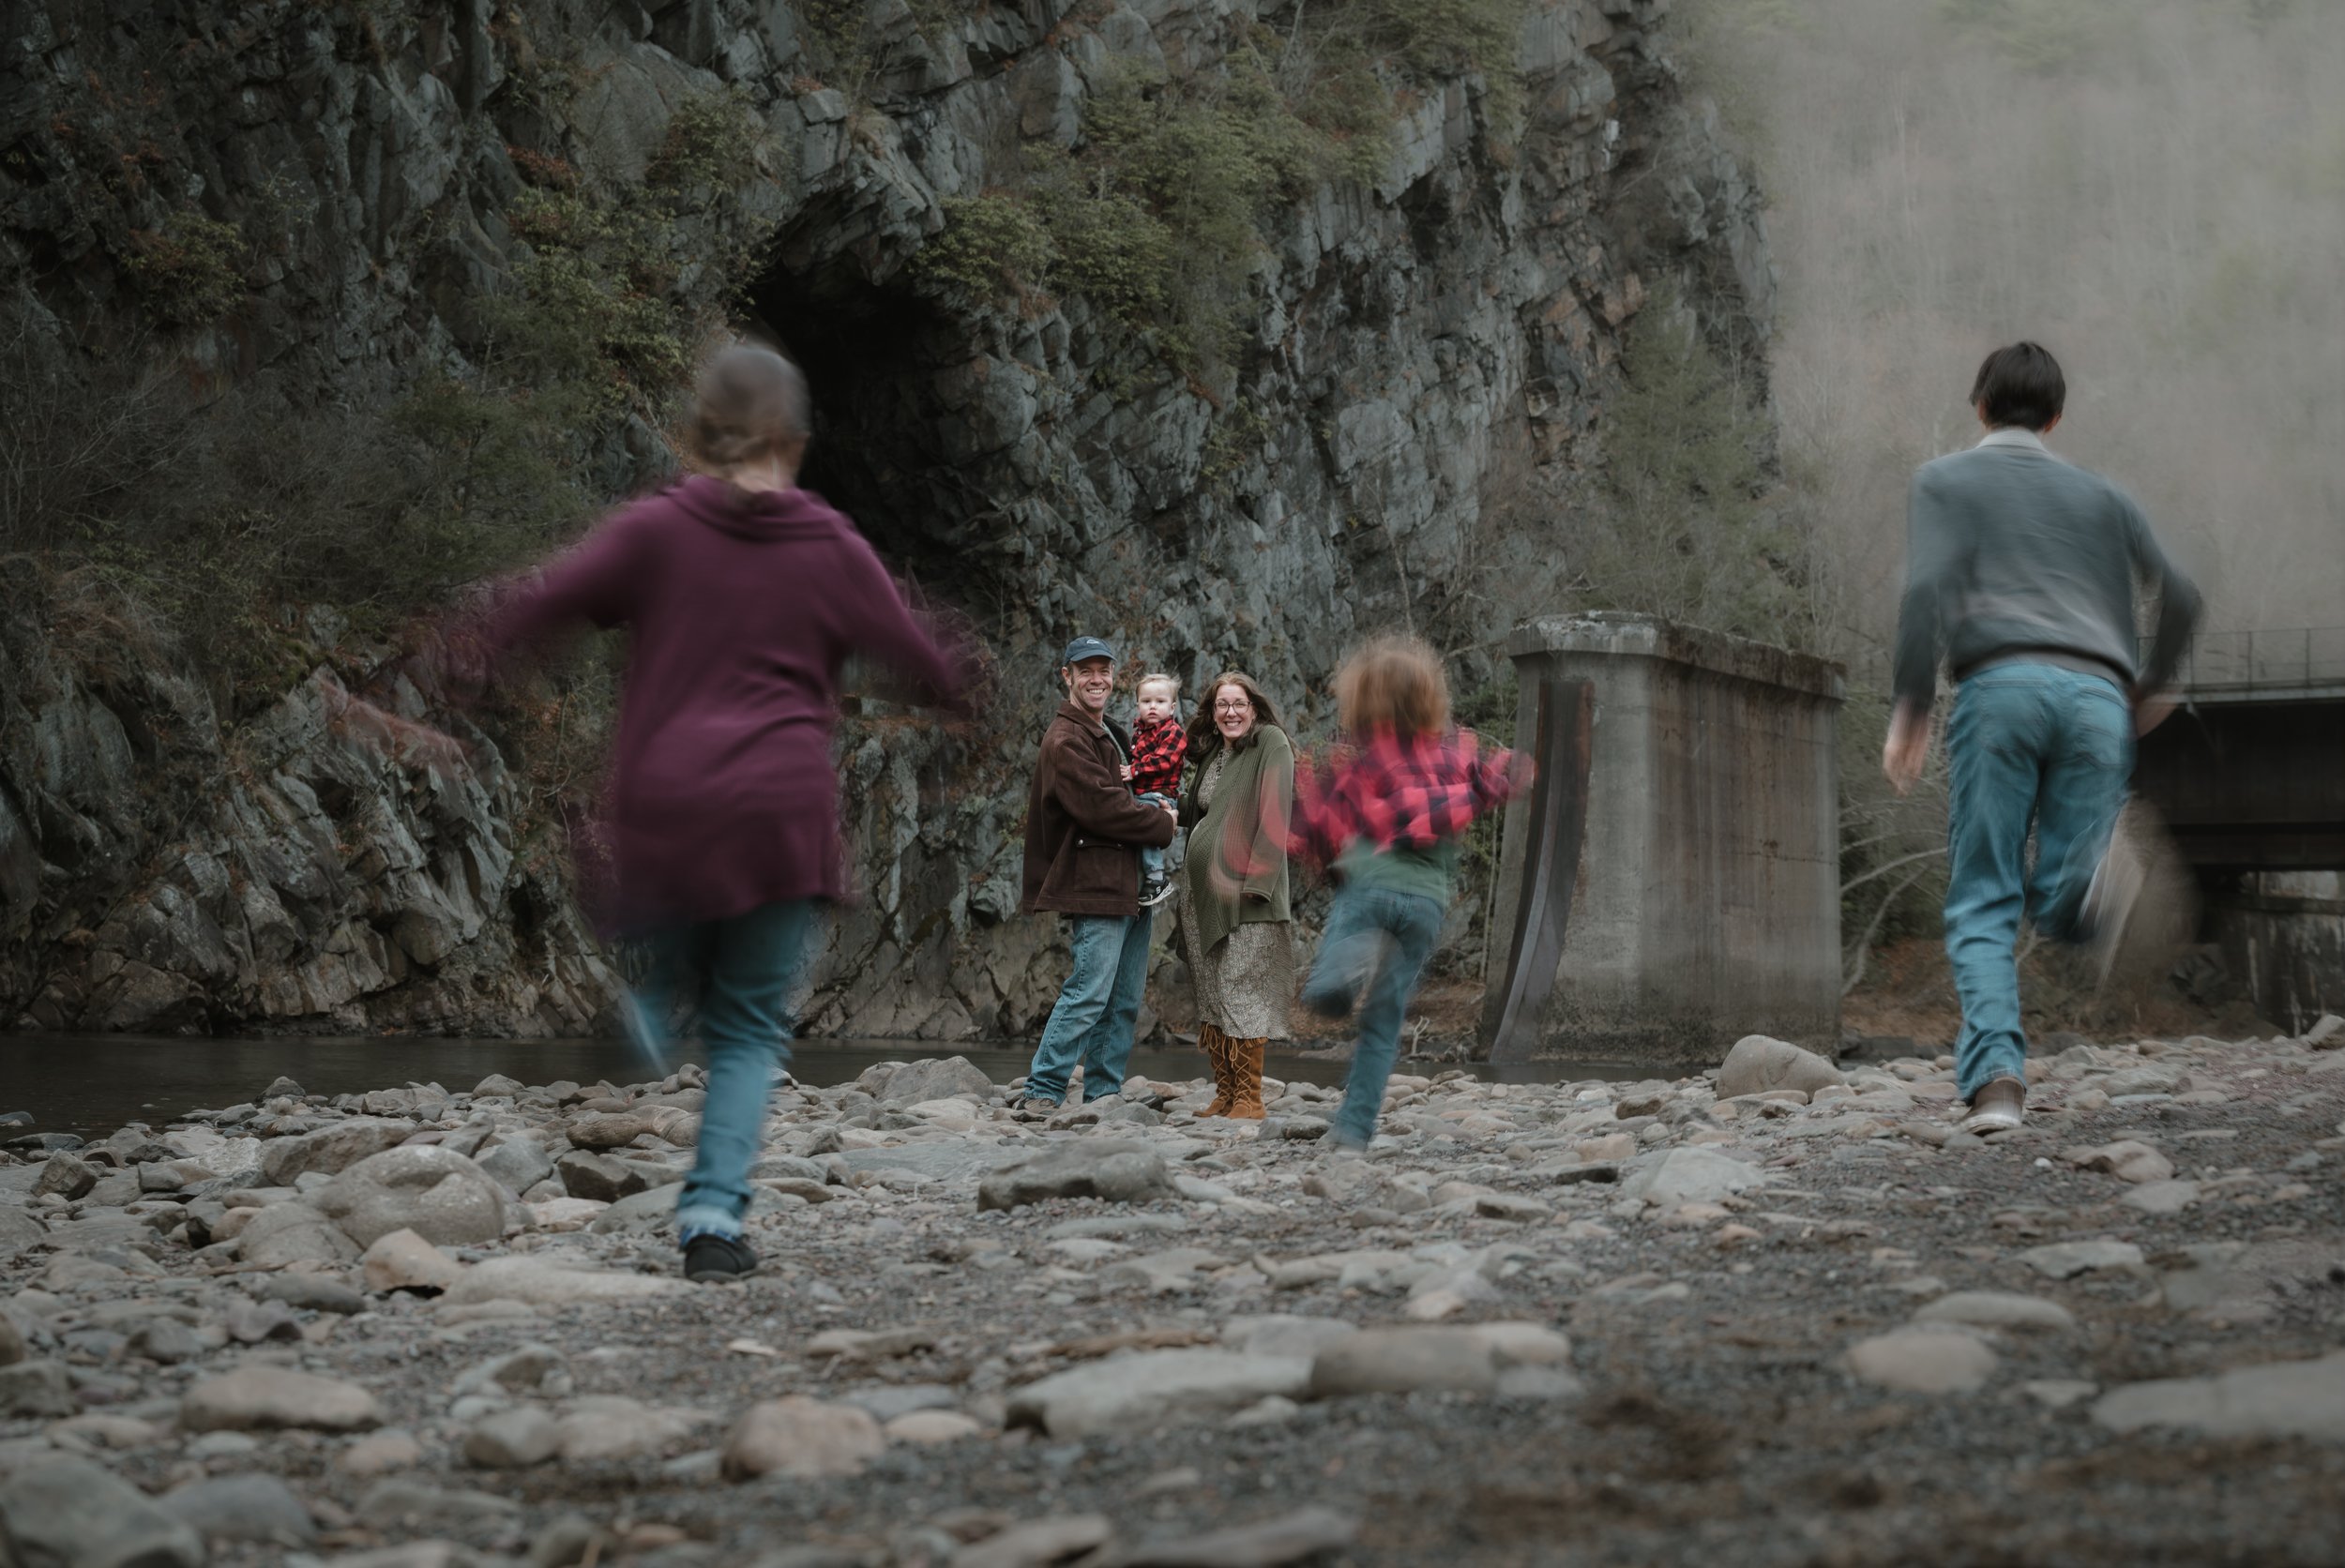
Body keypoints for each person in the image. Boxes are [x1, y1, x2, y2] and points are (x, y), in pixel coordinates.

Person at [457, 343, 970, 1281]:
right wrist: (963, 685)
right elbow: (919, 652)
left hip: (668, 805)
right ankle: (711, 1222)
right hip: (779, 815)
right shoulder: (828, 543)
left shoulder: (655, 529)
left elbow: (542, 603)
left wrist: (478, 656)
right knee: (745, 1030)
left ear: (696, 435)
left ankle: (654, 991)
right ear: (797, 441)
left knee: (677, 920)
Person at [1884, 340, 2201, 1134]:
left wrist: (1911, 708)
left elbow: (1925, 591)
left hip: (2001, 688)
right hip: (2098, 696)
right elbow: (2185, 594)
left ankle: (1996, 1087)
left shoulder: (1946, 479)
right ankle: (2088, 879)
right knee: (2062, 903)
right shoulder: (2105, 497)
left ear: (1979, 406)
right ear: (2056, 418)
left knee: (1984, 897)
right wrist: (2151, 686)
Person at [1290, 637, 1524, 1153]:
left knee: (1347, 939)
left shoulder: (1368, 765)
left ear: (1364, 702)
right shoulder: (1453, 757)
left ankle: (1341, 973)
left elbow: (1318, 821)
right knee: (1383, 1024)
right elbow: (1494, 782)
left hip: (1371, 888)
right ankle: (1353, 1130)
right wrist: (1516, 769)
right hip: (1426, 906)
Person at [1020, 637, 1179, 1112]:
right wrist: (1163, 824)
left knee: (1124, 998)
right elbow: (1102, 808)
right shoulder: (1065, 738)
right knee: (1089, 992)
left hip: (1130, 882)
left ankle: (1103, 1092)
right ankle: (1043, 1090)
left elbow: (1146, 783)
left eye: (1103, 670)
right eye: (1085, 671)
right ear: (1065, 676)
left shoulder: (1110, 729)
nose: (1097, 679)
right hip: (1094, 882)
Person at [1173, 671, 1295, 1119]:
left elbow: (1275, 813)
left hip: (1247, 892)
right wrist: (1155, 797)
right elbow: (1196, 811)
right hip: (1201, 896)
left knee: (1242, 989)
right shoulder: (1213, 755)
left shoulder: (1271, 743)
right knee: (1212, 991)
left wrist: (1259, 884)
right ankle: (1225, 1095)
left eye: (1238, 703)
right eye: (1221, 705)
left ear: (1254, 707)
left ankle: (1250, 1099)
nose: (1230, 712)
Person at [1129, 672, 1189, 909]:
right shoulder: (1139, 734)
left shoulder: (1173, 732)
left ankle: (1156, 877)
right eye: (1146, 701)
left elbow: (1164, 760)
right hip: (1142, 793)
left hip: (1160, 795)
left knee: (1146, 823)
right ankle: (1142, 873)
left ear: (1172, 707)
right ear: (1138, 705)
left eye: (1160, 701)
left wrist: (1134, 770)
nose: (1152, 706)